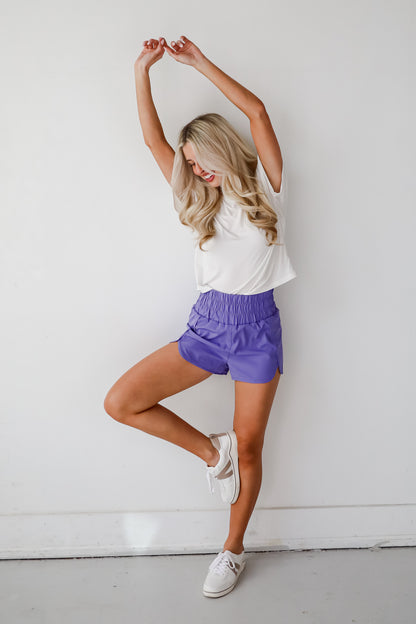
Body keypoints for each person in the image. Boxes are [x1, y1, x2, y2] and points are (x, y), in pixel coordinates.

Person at [104, 35, 297, 599]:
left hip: (258, 332)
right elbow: (152, 140)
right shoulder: (198, 199)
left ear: (219, 148)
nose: (193, 169)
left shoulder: (269, 188)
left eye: (198, 159)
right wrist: (142, 70)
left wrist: (198, 63)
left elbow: (256, 111)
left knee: (252, 446)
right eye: (187, 163)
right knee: (122, 402)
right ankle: (214, 453)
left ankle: (232, 551)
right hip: (208, 327)